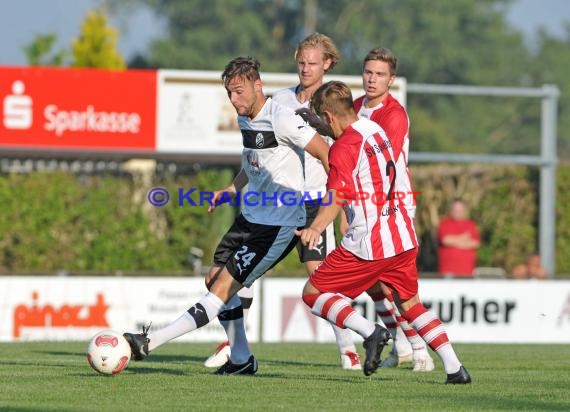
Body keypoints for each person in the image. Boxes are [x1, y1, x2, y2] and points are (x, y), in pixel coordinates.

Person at [123, 56, 331, 375]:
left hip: (278, 223)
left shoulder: (283, 118)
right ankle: (241, 358)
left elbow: (325, 153)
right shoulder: (246, 118)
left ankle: (149, 343)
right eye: (229, 94)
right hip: (250, 217)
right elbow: (255, 163)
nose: (234, 100)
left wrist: (337, 198)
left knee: (222, 288)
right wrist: (231, 189)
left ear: (257, 86)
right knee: (213, 278)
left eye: (239, 92)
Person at [204, 32, 362, 371]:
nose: (305, 68)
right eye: (301, 62)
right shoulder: (279, 102)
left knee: (319, 276)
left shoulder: (333, 102)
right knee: (242, 270)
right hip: (277, 204)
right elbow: (257, 157)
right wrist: (233, 188)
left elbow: (337, 156)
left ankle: (348, 347)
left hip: (316, 202)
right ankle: (233, 345)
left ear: (328, 64)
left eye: (312, 63)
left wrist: (342, 205)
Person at [296, 80, 471, 383]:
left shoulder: (342, 149)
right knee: (411, 305)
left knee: (313, 293)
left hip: (369, 244)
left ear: (328, 116)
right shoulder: (372, 128)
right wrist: (321, 125)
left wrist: (316, 226)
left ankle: (371, 332)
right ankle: (456, 368)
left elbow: (337, 194)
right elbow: (347, 135)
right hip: (402, 236)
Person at [353, 47, 434, 372]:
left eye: (380, 74)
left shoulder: (394, 114)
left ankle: (420, 349)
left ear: (391, 79)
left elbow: (380, 161)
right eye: (369, 72)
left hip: (392, 202)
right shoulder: (356, 107)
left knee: (396, 283)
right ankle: (401, 343)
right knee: (370, 281)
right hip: (360, 200)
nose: (372, 79)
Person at [437, 198, 480, 277]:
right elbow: (446, 240)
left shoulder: (470, 225)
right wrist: (463, 238)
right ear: (451, 210)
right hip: (447, 272)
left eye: (460, 209)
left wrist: (454, 241)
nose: (458, 212)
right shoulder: (445, 224)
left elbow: (475, 243)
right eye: (456, 209)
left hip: (467, 272)